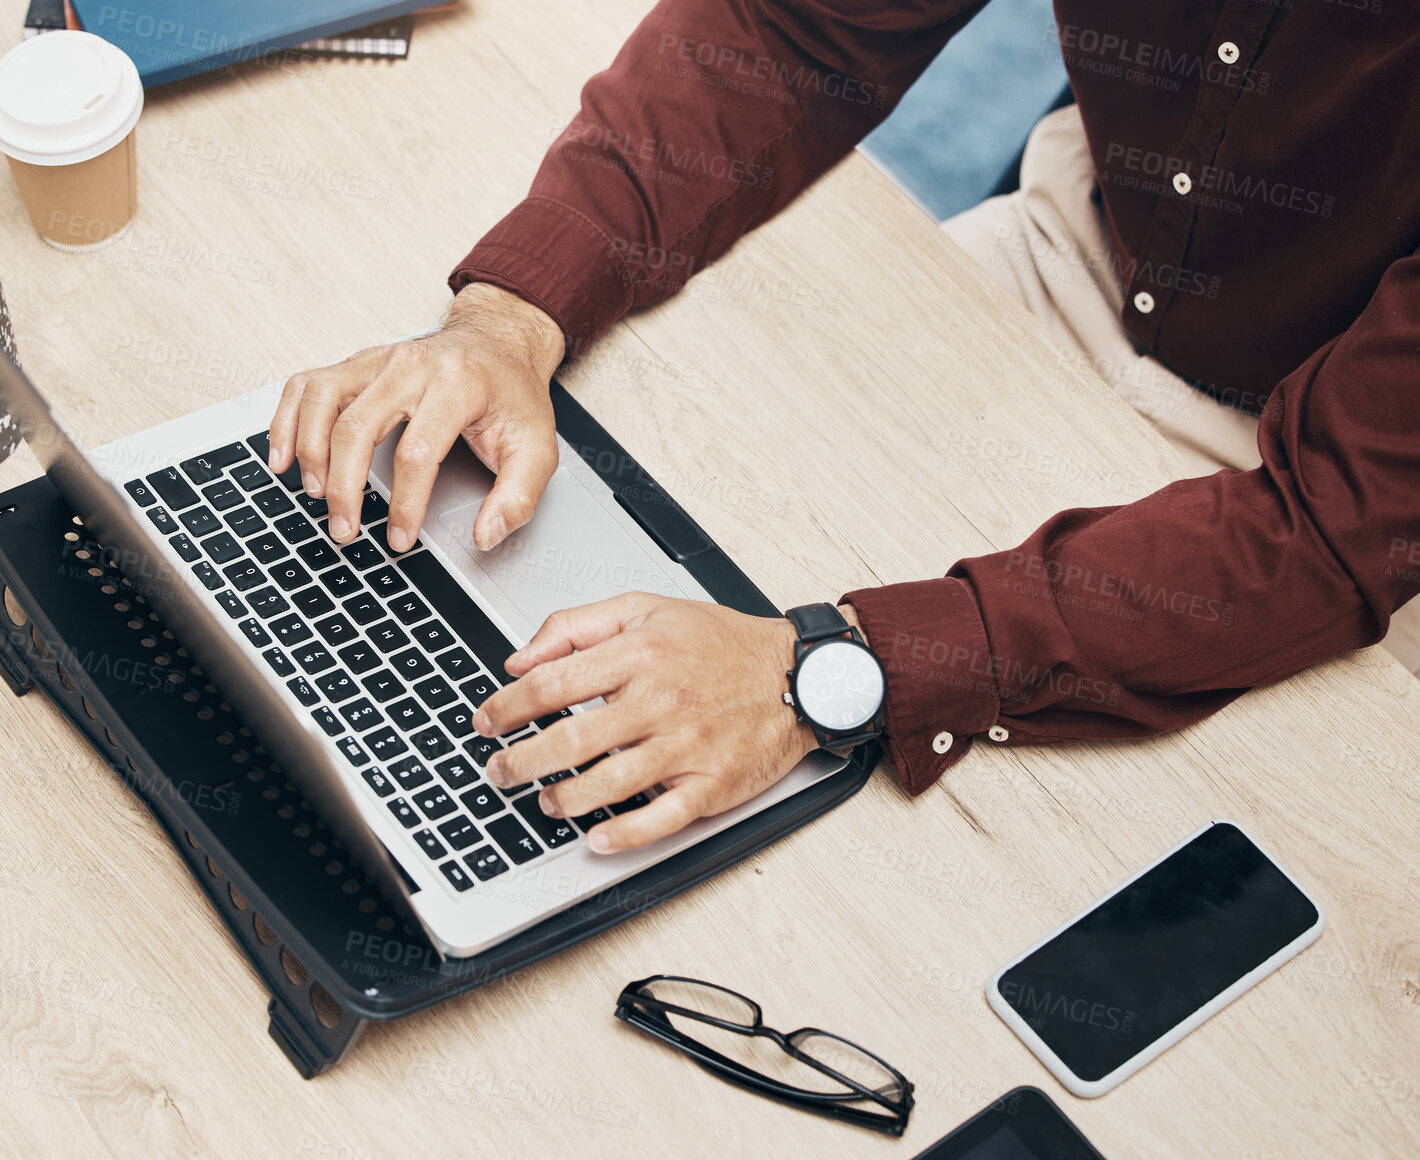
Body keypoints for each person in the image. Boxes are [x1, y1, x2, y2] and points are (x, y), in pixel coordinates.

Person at [265, 2, 1420, 855]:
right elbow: (795, 30)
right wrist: (510, 316)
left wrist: (826, 665)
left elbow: (1329, 526)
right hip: (1082, 242)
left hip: (1334, 473)